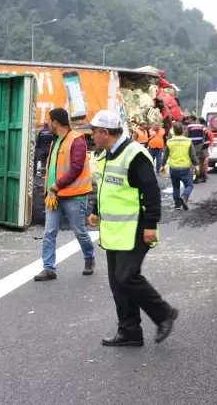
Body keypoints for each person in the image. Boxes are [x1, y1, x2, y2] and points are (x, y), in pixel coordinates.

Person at [87, 110, 178, 346]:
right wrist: (96, 210)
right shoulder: (107, 155)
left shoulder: (134, 155)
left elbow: (151, 192)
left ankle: (164, 313)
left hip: (136, 229)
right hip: (115, 232)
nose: (92, 137)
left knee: (127, 277)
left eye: (94, 132)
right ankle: (129, 331)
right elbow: (105, 186)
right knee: (118, 283)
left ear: (105, 132)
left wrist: (151, 225)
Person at [34, 107, 96, 281]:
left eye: (49, 121)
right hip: (54, 196)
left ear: (55, 122)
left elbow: (76, 168)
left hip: (73, 196)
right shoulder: (56, 141)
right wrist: (51, 190)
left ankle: (89, 258)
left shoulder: (76, 140)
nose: (47, 124)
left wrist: (57, 185)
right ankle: (48, 268)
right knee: (49, 232)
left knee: (80, 232)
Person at [161, 122, 199, 210]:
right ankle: (185, 197)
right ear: (182, 130)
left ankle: (177, 205)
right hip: (185, 168)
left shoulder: (169, 142)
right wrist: (196, 165)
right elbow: (193, 155)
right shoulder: (188, 141)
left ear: (173, 131)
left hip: (173, 168)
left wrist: (162, 166)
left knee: (176, 187)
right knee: (189, 185)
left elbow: (165, 156)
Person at [187, 117, 209, 183]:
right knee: (201, 163)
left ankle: (197, 177)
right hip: (205, 147)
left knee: (196, 163)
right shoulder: (203, 128)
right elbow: (206, 137)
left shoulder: (191, 127)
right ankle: (203, 177)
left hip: (199, 147)